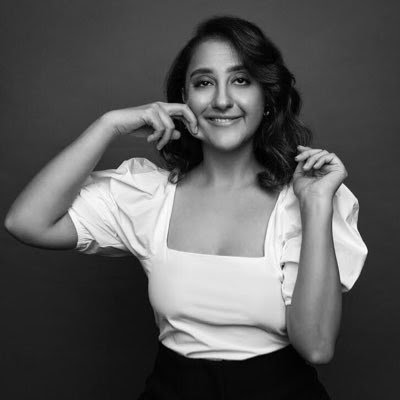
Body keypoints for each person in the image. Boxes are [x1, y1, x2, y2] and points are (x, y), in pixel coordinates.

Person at [5, 15, 368, 400]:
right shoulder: (148, 197)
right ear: (184, 99)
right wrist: (109, 125)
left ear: (267, 99)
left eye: (241, 80)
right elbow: (26, 222)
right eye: (204, 82)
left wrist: (315, 205)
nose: (222, 100)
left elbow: (317, 346)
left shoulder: (307, 197)